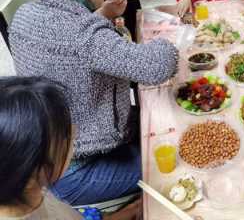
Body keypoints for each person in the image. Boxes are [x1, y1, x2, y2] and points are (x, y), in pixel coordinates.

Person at [4, 0, 178, 205]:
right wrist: (171, 41)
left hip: (47, 155)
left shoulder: (26, 14)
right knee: (177, 156)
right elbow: (158, 66)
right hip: (79, 170)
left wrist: (99, 16)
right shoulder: (83, 35)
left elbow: (69, 48)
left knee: (161, 120)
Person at [0, 77, 141, 220]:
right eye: (65, 136)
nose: (74, 129)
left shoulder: (30, 191)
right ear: (29, 171)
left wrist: (131, 210)